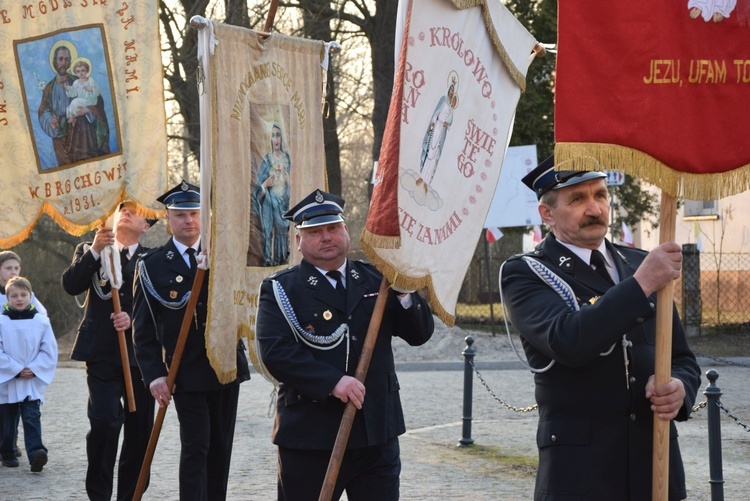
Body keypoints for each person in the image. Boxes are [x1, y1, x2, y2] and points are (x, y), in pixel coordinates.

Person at [499, 155, 701, 500]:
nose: (594, 208)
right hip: (581, 474)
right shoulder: (526, 272)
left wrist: (680, 387)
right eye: (578, 199)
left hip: (655, 464)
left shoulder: (638, 262)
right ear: (547, 214)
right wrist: (640, 285)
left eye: (600, 195)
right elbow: (568, 340)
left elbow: (683, 358)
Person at [256, 189, 435, 501]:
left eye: (332, 228)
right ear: (298, 240)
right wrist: (332, 382)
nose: (326, 237)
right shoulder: (281, 289)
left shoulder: (378, 279)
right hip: (310, 434)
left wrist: (406, 292)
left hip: (375, 431)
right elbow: (276, 353)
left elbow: (419, 335)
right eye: (314, 231)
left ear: (345, 231)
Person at [132, 180, 250, 501]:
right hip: (185, 371)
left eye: (195, 213)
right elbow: (143, 328)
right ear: (168, 219)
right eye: (181, 214)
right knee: (196, 446)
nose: (189, 221)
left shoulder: (226, 255)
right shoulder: (152, 265)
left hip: (226, 365)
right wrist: (155, 374)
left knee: (221, 449)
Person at [61, 202, 156, 500]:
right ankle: (99, 495)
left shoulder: (153, 259)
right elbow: (71, 284)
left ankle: (130, 495)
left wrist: (132, 316)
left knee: (139, 433)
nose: (126, 212)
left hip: (141, 357)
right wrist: (95, 252)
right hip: (101, 353)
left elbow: (161, 306)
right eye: (122, 208)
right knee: (104, 422)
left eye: (135, 210)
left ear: (147, 226)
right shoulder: (89, 249)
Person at [0, 277, 57, 472]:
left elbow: (48, 348)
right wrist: (15, 369)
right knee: (7, 421)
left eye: (23, 295)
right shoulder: (1, 320)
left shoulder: (41, 322)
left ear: (30, 296)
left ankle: (36, 453)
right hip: (8, 381)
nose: (19, 299)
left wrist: (34, 368)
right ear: (7, 298)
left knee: (32, 417)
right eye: (14, 295)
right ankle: (7, 452)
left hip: (31, 379)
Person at [37, 43, 110, 167]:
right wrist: (50, 121)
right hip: (60, 137)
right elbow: (44, 110)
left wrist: (88, 110)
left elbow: (97, 101)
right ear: (55, 61)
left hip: (81, 135)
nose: (64, 63)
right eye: (61, 59)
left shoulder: (79, 81)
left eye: (67, 59)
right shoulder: (49, 88)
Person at [252, 121, 292, 266]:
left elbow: (296, 184)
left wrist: (289, 182)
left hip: (284, 204)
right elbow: (257, 188)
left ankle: (282, 259)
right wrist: (264, 185)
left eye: (278, 136)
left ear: (282, 138)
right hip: (269, 203)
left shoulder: (287, 158)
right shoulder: (267, 159)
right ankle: (269, 260)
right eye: (273, 136)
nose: (276, 140)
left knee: (283, 233)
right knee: (269, 232)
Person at [419, 76, 458, 189]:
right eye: (450, 90)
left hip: (442, 132)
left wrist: (447, 124)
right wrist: (433, 122)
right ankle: (422, 175)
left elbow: (450, 122)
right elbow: (436, 113)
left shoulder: (451, 108)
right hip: (436, 127)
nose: (451, 92)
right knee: (429, 150)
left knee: (435, 154)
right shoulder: (443, 100)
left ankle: (427, 180)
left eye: (452, 91)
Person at [0, 251, 48, 316]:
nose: (13, 272)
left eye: (16, 268)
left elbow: (43, 314)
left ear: (19, 270)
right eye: (8, 268)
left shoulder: (26, 293)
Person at [64, 58, 101, 127]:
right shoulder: (76, 82)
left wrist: (91, 89)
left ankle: (72, 117)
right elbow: (73, 92)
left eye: (83, 70)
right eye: (78, 71)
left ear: (87, 71)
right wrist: (67, 89)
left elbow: (97, 92)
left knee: (74, 102)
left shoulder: (90, 80)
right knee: (69, 107)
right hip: (82, 100)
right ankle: (72, 118)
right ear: (75, 73)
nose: (80, 73)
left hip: (89, 100)